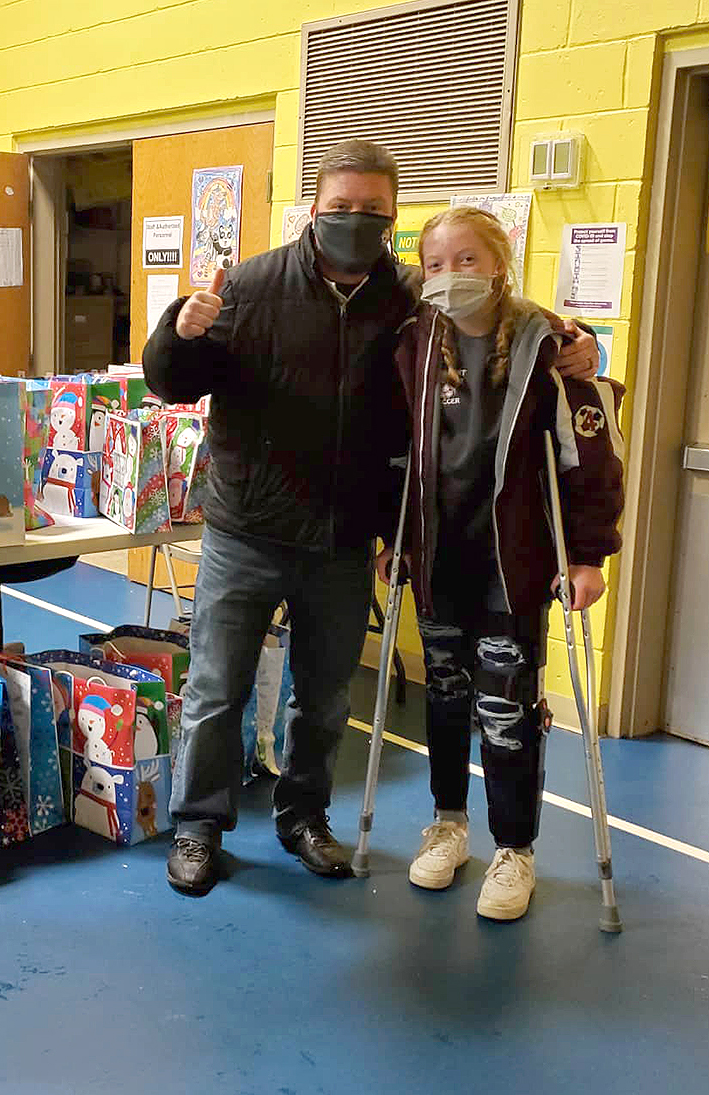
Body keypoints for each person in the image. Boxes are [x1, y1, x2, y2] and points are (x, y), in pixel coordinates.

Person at [142, 140, 601, 897]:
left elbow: (496, 304)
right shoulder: (252, 285)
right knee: (216, 692)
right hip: (247, 529)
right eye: (339, 210)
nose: (355, 223)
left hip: (344, 537)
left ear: (392, 220)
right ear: (312, 211)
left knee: (323, 698)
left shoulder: (411, 295)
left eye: (372, 214)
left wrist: (571, 339)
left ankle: (304, 819)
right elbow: (176, 380)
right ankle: (198, 828)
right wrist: (179, 329)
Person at [379, 207, 624, 920]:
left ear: (499, 261)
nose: (450, 275)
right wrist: (391, 541)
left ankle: (514, 848)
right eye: (434, 263)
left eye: (466, 260)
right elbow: (395, 451)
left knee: (505, 709)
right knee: (448, 697)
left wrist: (586, 555)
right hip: (437, 555)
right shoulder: (414, 342)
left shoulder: (550, 344)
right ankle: (450, 824)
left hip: (510, 565)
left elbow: (589, 460)